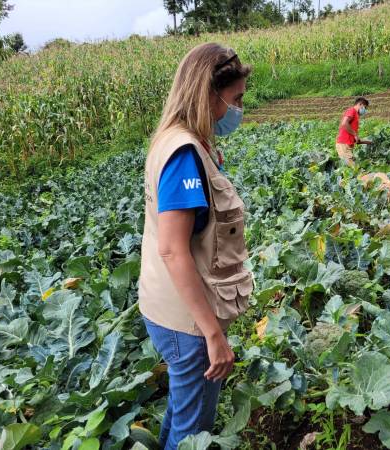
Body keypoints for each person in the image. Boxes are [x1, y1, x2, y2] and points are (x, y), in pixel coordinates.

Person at [138, 43, 253, 450]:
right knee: (194, 429)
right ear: (208, 93)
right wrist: (212, 335)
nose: (239, 109)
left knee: (182, 410)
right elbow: (172, 249)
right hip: (186, 321)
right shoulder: (183, 154)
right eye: (235, 99)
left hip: (173, 309)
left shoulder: (181, 140)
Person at [335, 97, 372, 166]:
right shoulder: (352, 110)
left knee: (352, 169)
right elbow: (344, 123)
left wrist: (369, 142)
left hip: (346, 146)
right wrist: (355, 134)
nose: (365, 110)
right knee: (353, 170)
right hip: (343, 145)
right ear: (360, 104)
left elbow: (356, 140)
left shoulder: (355, 116)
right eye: (365, 107)